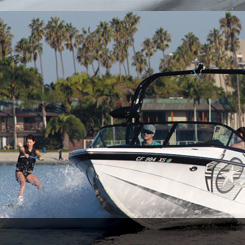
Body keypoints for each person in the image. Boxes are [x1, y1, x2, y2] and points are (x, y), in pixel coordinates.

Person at [15, 134, 43, 205]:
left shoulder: (35, 151)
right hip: (19, 171)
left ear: (34, 142)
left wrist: (40, 157)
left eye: (30, 142)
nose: (29, 144)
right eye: (27, 142)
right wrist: (24, 154)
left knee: (40, 185)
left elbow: (38, 154)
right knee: (23, 183)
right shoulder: (23, 148)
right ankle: (20, 202)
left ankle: (42, 200)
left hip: (28, 173)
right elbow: (21, 150)